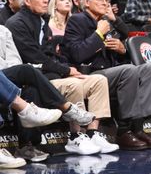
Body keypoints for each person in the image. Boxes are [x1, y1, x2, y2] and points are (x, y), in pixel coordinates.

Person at [7, 0, 115, 155]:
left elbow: (53, 55)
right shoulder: (16, 23)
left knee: (98, 80)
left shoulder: (41, 22)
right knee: (75, 84)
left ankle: (93, 133)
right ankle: (75, 136)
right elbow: (34, 57)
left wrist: (68, 68)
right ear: (27, 1)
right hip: (38, 77)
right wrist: (66, 71)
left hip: (53, 73)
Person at [63, 0, 151, 150]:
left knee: (150, 69)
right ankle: (124, 131)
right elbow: (77, 54)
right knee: (128, 70)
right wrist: (98, 34)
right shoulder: (77, 20)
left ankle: (138, 127)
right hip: (91, 74)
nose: (105, 3)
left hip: (112, 71)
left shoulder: (106, 21)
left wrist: (122, 50)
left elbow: (126, 34)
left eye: (107, 0)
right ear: (86, 2)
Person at [0, 24, 97, 163]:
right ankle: (67, 108)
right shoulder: (19, 22)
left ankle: (27, 146)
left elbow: (15, 60)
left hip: (7, 76)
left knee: (31, 88)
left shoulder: (3, 30)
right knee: (27, 70)